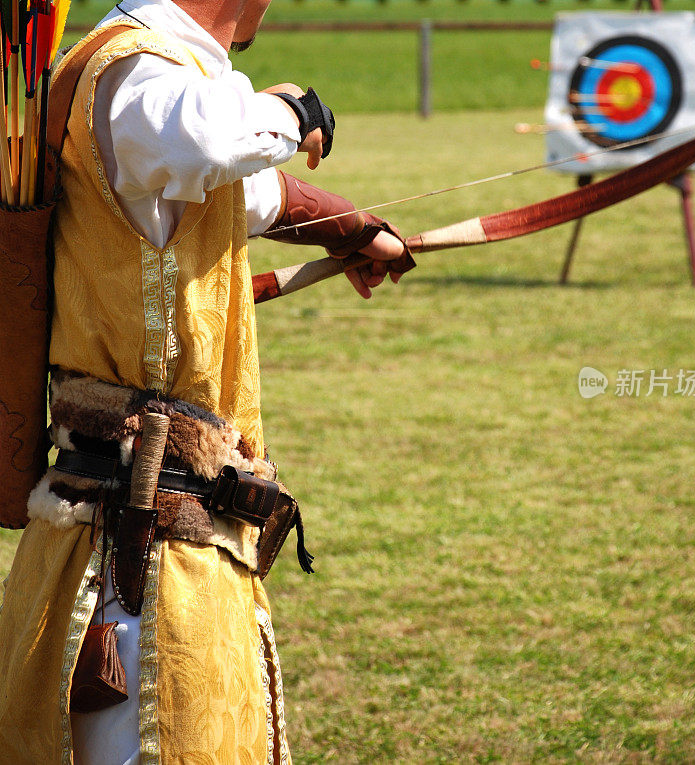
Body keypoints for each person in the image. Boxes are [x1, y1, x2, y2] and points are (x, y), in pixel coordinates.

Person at [0, 0, 412, 761]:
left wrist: (349, 226)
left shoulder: (149, 83)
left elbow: (251, 194)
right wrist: (295, 106)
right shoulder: (131, 72)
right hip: (132, 558)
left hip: (158, 535)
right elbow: (208, 138)